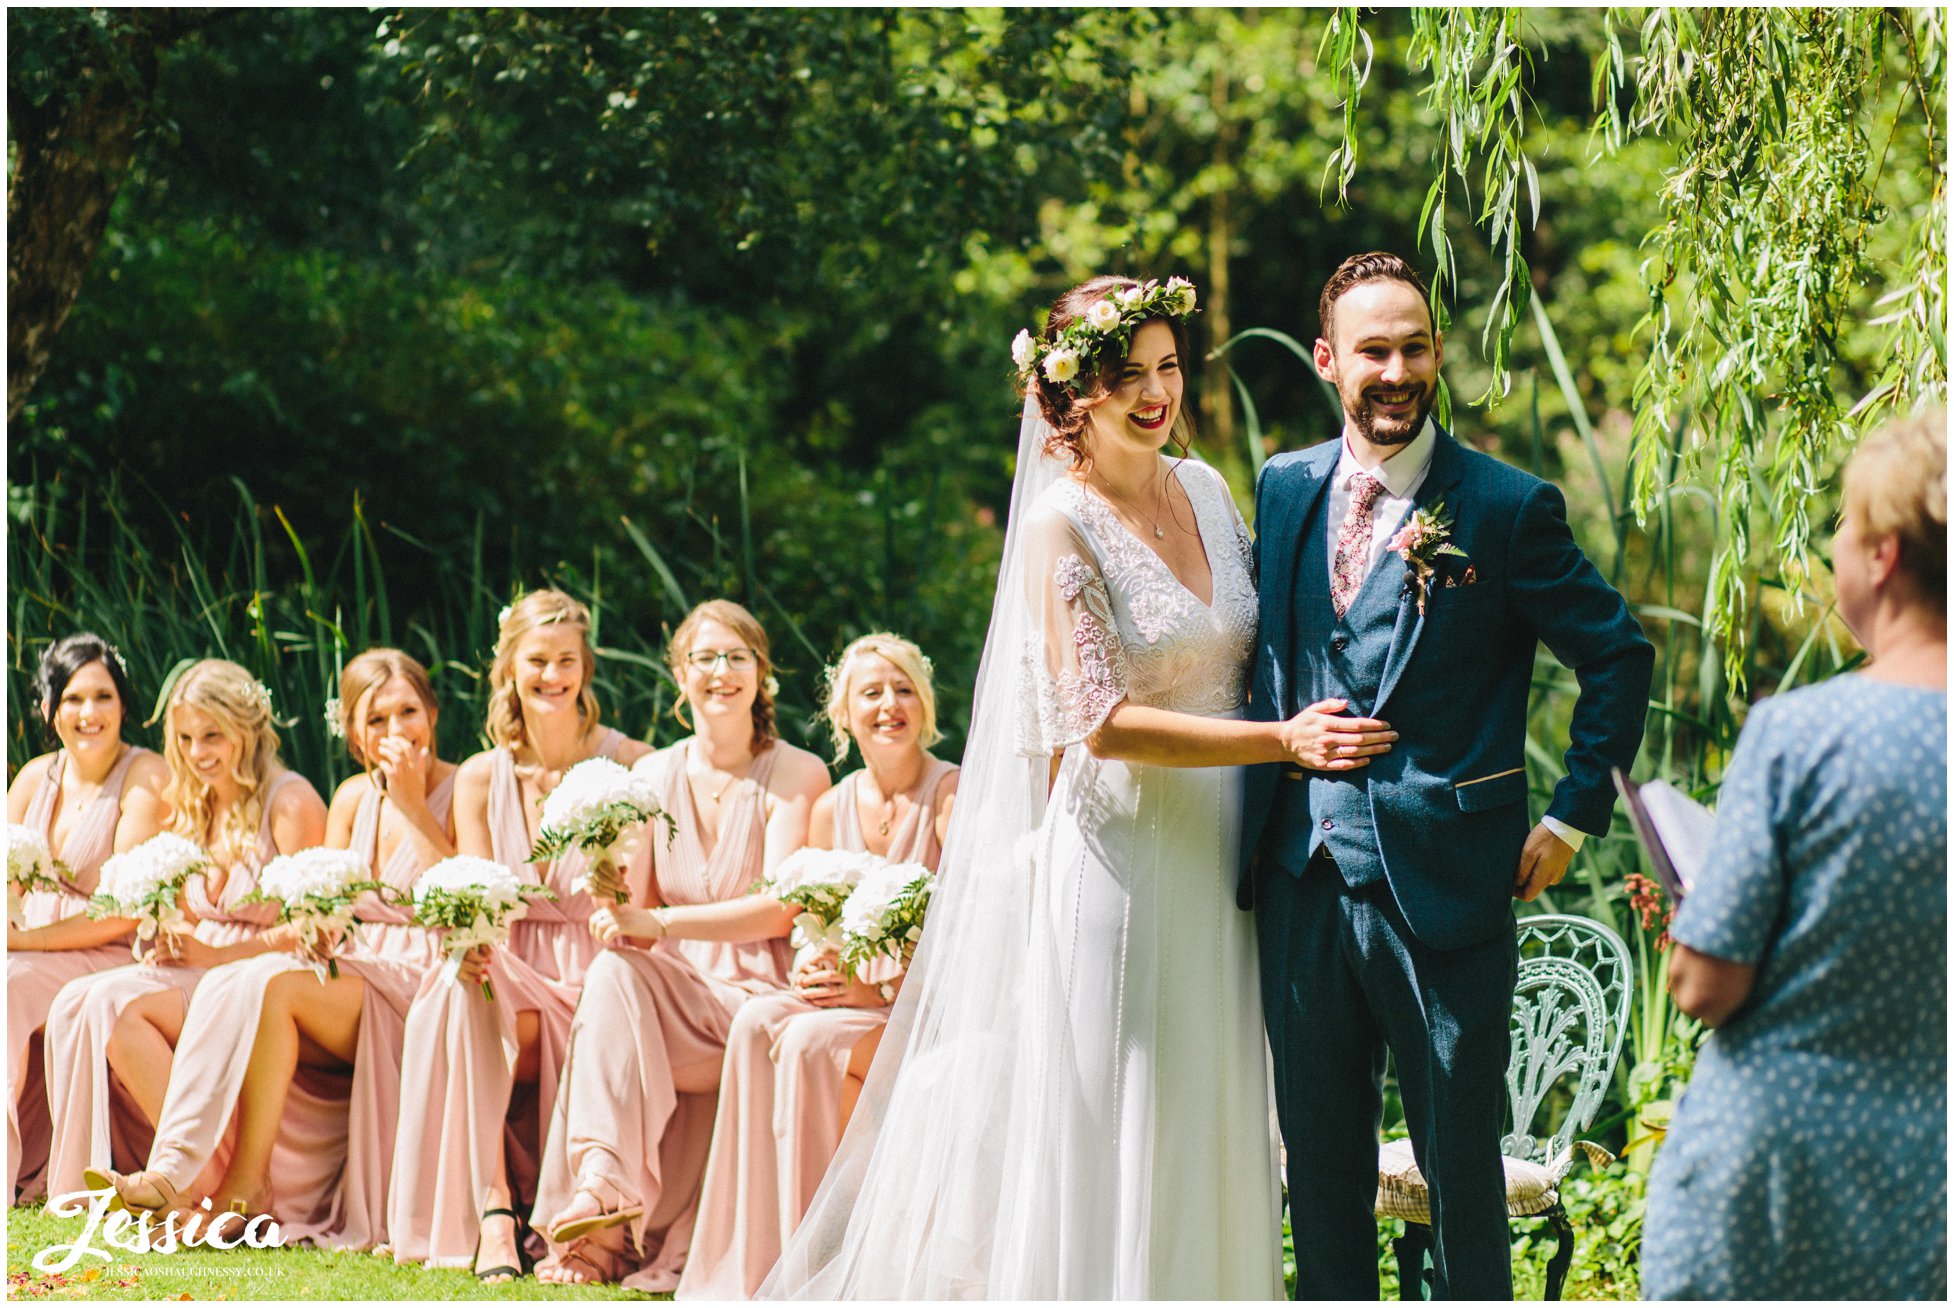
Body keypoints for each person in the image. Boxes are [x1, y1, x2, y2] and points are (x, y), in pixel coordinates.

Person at [765, 275, 1336, 1299]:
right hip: (1123, 862)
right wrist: (1282, 743)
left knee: (1211, 1102)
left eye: (1167, 368)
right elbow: (1100, 723)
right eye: (1128, 376)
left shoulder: (1205, 489)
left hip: (1224, 855)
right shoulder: (1059, 528)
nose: (1156, 394)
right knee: (1122, 1106)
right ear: (1074, 395)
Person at [1242, 251, 1654, 1299]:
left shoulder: (1508, 509)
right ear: (1330, 361)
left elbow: (1616, 655)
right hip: (1299, 882)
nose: (1396, 370)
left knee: (1459, 1175)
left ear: (1438, 357)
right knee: (1321, 1177)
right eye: (1372, 350)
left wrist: (1569, 819)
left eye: (1414, 347)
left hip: (1446, 889)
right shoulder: (1284, 488)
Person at [1642, 407, 1947, 1300]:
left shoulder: (1801, 733)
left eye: (1843, 531)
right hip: (1928, 1184)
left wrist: (1695, 910)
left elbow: (1707, 984)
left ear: (1883, 555)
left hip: (1776, 1175)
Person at [103, 649, 457, 1249]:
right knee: (239, 982)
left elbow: (462, 897)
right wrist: (320, 925)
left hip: (427, 974)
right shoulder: (348, 797)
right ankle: (186, 1174)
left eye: (406, 714)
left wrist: (412, 805)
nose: (394, 732)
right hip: (358, 964)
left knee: (266, 980)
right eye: (375, 721)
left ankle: (243, 1185)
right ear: (352, 734)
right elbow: (327, 899)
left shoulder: (463, 782)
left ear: (433, 714)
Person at [529, 599, 830, 1290]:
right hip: (674, 999)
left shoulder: (796, 773)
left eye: (736, 658)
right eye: (704, 658)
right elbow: (627, 919)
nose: (719, 673)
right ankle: (603, 1184)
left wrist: (662, 927)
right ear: (679, 674)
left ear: (762, 677)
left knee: (619, 976)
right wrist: (604, 879)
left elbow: (781, 909)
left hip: (760, 995)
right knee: (610, 971)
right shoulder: (653, 774)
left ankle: (603, 1223)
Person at [677, 632, 959, 1299]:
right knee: (756, 1021)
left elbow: (971, 939)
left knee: (804, 1040)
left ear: (924, 704)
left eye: (903, 691)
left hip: (927, 1010)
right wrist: (810, 968)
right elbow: (814, 926)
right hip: (855, 1003)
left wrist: (874, 981)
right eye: (871, 693)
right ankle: (751, 1259)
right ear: (843, 715)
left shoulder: (951, 797)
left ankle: (822, 1250)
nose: (889, 706)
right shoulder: (832, 811)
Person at [385, 590, 649, 1277]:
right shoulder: (480, 777)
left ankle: (502, 1214)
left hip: (598, 974)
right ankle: (495, 1210)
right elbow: (471, 893)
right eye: (538, 660)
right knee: (456, 981)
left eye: (566, 660)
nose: (552, 676)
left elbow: (648, 898)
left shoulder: (632, 764)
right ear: (510, 669)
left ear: (586, 667)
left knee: (463, 991)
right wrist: (413, 812)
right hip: (506, 973)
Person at [41, 658, 329, 1199]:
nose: (199, 753)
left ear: (247, 729)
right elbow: (189, 912)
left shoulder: (290, 802)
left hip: (261, 980)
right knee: (82, 999)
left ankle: (206, 1183)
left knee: (120, 1007)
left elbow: (312, 930)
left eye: (213, 736)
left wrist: (214, 957)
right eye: (187, 738)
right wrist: (163, 931)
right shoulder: (193, 804)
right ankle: (121, 1183)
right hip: (201, 970)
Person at [6, 635, 169, 1203]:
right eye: (73, 698)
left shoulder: (145, 777)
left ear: (124, 705)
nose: (89, 713)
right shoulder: (33, 777)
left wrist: (26, 941)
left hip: (105, 949)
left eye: (104, 696)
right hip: (28, 940)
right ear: (49, 709)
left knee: (8, 984)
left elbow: (125, 913)